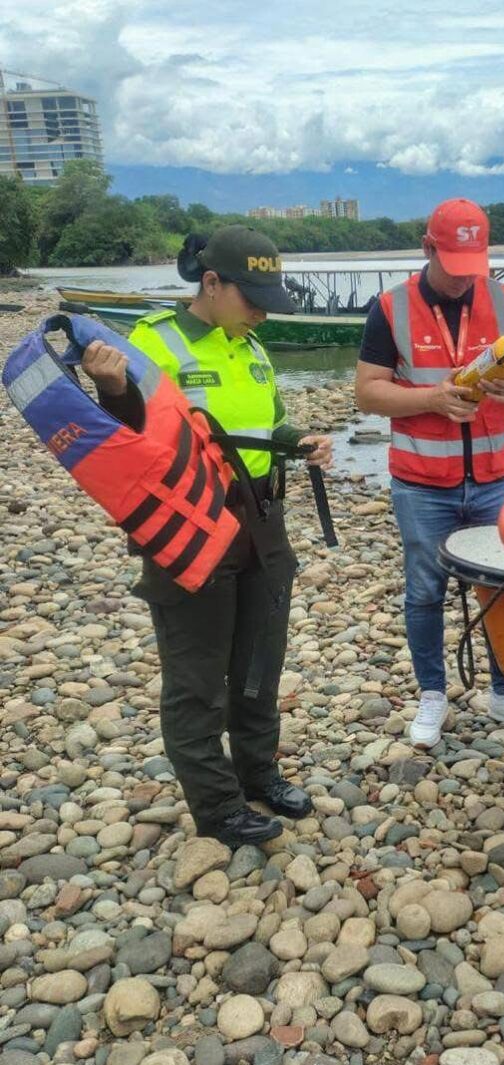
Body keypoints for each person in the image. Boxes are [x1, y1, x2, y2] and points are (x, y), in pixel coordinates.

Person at [80, 224, 333, 848]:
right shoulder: (152, 344)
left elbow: (269, 420)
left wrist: (297, 440)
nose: (261, 313)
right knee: (196, 679)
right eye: (252, 299)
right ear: (211, 283)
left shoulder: (251, 345)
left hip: (262, 524)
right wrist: (111, 387)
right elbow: (123, 439)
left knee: (258, 663)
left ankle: (259, 773)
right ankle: (217, 808)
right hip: (188, 528)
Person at [355, 198, 504, 750]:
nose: (466, 281)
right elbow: (367, 392)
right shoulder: (389, 308)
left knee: (501, 589)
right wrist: (431, 399)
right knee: (424, 591)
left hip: (493, 477)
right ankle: (432, 695)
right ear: (426, 249)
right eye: (454, 266)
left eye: (475, 266)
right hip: (422, 483)